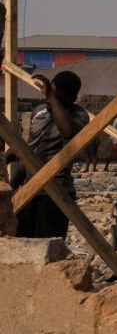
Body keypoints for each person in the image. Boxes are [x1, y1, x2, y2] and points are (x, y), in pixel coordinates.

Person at [5, 72, 90, 239]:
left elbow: (68, 131)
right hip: (29, 190)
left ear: (72, 97)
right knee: (22, 243)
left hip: (56, 193)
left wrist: (52, 98)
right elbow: (30, 148)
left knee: (48, 245)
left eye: (56, 94)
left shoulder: (78, 115)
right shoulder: (40, 111)